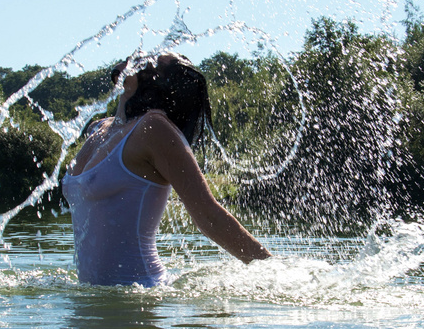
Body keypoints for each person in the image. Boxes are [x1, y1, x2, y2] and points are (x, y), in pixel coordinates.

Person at [62, 52, 271, 286]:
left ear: (157, 81)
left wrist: (274, 274)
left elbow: (208, 214)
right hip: (89, 311)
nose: (140, 54)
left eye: (153, 59)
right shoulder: (98, 128)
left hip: (141, 299)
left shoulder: (154, 128)